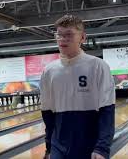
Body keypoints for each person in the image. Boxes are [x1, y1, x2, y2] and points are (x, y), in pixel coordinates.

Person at [40, 15, 115, 159]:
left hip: (90, 145)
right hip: (58, 147)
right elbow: (48, 114)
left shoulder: (98, 66)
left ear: (82, 38)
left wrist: (102, 148)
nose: (62, 39)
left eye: (68, 35)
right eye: (59, 35)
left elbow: (107, 110)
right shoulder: (48, 71)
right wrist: (49, 147)